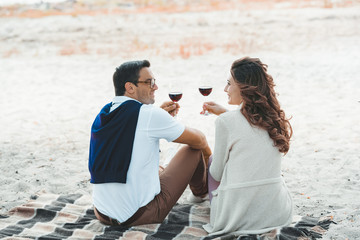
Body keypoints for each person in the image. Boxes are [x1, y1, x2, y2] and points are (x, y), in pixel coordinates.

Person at [88, 60, 211, 226]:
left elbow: (128, 138)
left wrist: (159, 116)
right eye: (149, 82)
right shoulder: (148, 114)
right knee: (192, 151)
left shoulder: (104, 114)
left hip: (101, 213)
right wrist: (210, 159)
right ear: (130, 87)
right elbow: (200, 139)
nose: (156, 87)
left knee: (158, 168)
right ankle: (200, 194)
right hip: (137, 216)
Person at [201, 57, 293, 236]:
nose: (225, 89)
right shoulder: (273, 117)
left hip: (237, 217)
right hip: (277, 213)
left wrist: (224, 117)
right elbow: (250, 132)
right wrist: (226, 113)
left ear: (243, 87)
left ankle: (197, 197)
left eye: (229, 84)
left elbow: (217, 174)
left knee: (213, 161)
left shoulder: (225, 122)